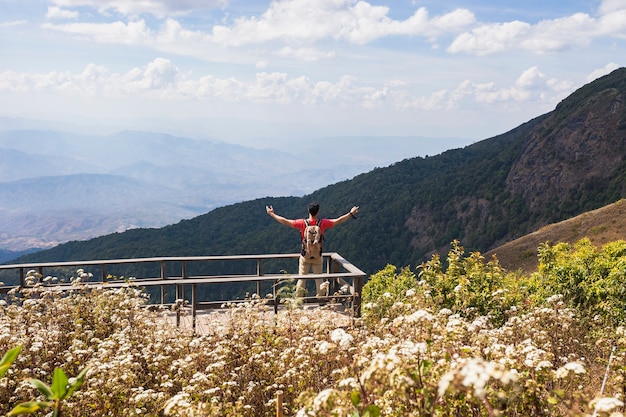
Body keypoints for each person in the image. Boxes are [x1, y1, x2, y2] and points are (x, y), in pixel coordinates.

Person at [266, 202, 359, 297]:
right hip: (317, 256)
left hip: (305, 256)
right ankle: (321, 300)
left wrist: (272, 214)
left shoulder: (302, 223)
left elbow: (285, 221)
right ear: (318, 212)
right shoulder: (322, 223)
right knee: (319, 279)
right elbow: (338, 221)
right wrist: (351, 213)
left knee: (302, 279)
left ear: (308, 211)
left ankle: (298, 300)